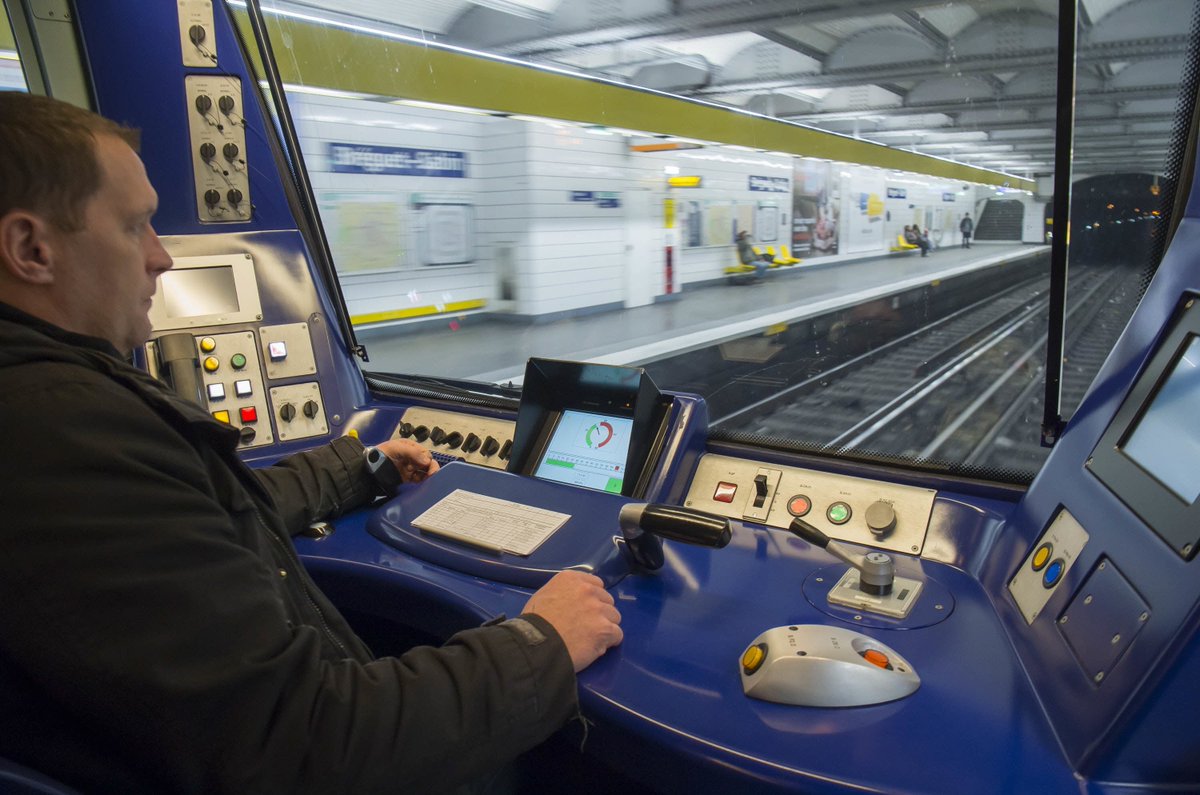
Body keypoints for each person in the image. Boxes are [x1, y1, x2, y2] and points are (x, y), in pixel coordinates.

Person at [0, 92, 623, 794]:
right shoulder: (63, 430)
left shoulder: (49, 414)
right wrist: (538, 643)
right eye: (136, 225)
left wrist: (358, 468)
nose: (161, 258)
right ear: (32, 249)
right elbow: (299, 744)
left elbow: (195, 513)